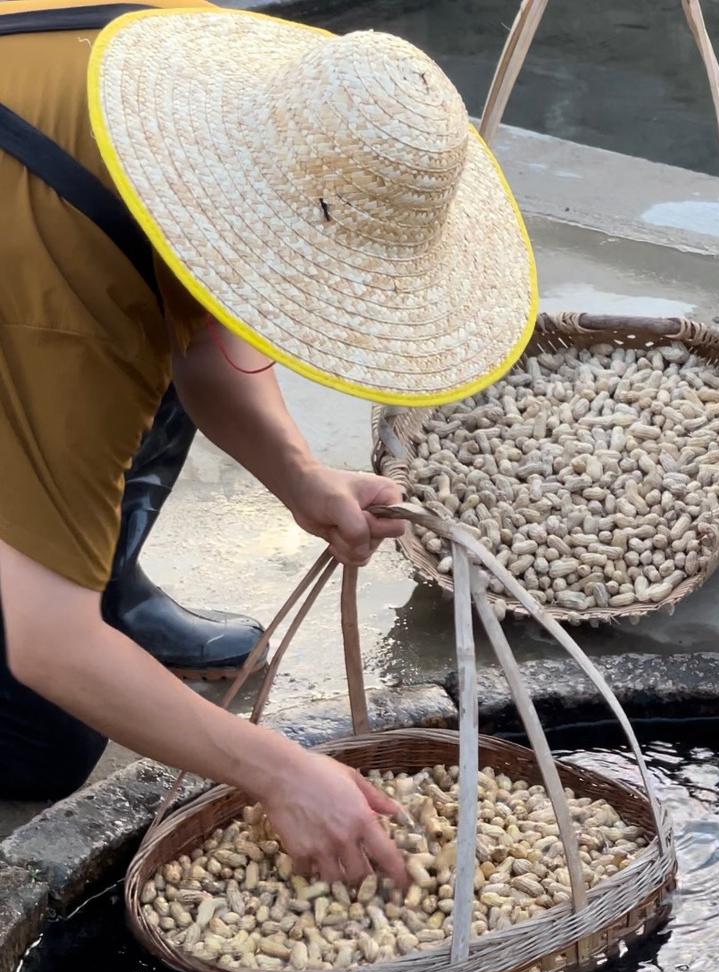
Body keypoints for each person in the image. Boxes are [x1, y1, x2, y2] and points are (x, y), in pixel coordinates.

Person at [0, 0, 537, 884]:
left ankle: (91, 564)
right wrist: (277, 771)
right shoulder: (65, 313)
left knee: (151, 324)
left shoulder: (181, 73)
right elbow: (47, 647)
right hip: (22, 275)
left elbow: (210, 308)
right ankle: (63, 561)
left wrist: (301, 477)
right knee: (41, 739)